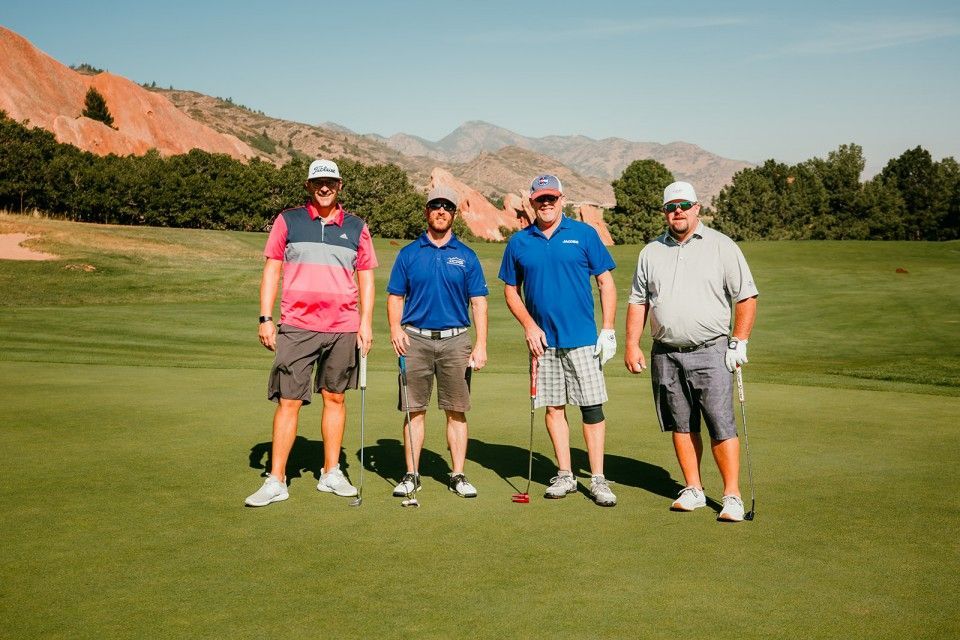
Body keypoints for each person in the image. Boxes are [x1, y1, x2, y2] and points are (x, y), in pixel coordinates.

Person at [245, 159, 377, 507]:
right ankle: (276, 479)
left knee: (335, 397)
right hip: (297, 325)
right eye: (318, 181)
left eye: (330, 182)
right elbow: (272, 269)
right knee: (289, 400)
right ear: (308, 185)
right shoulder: (289, 220)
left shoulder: (356, 226)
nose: (324, 187)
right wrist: (265, 317)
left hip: (342, 326)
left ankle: (331, 472)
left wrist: (365, 322)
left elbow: (365, 276)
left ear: (340, 185)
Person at [624, 181, 758, 522]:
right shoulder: (650, 252)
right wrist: (631, 343)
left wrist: (739, 341)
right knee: (680, 424)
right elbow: (638, 301)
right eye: (671, 207)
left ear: (697, 208)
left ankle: (731, 496)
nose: (678, 211)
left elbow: (745, 296)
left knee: (720, 423)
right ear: (665, 213)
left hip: (711, 350)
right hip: (665, 352)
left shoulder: (721, 246)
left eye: (684, 205)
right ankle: (694, 489)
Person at [498, 174, 619, 507]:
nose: (546, 203)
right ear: (532, 202)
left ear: (561, 199)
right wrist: (528, 325)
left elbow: (606, 283)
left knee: (592, 408)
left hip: (582, 339)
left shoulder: (583, 234)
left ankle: (597, 479)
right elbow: (510, 289)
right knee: (554, 407)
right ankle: (565, 474)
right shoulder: (520, 242)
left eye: (551, 197)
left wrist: (607, 328)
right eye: (540, 199)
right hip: (544, 342)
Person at [386, 185, 489, 499]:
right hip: (414, 339)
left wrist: (481, 344)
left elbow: (479, 302)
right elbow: (395, 296)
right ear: (426, 212)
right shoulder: (409, 254)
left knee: (456, 411)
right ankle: (412, 474)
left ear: (454, 214)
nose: (441, 211)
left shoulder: (466, 256)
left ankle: (457, 474)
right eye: (435, 206)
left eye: (447, 207)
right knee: (414, 410)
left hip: (455, 341)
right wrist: (395, 328)